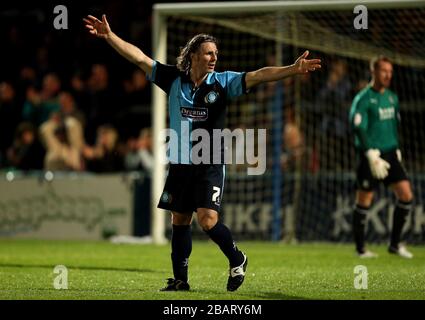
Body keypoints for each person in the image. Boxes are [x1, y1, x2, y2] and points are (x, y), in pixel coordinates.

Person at [84, 14, 321, 291]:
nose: (214, 57)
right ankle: (181, 281)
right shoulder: (173, 79)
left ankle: (238, 258)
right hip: (182, 164)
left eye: (216, 53)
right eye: (208, 53)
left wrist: (292, 69)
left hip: (210, 162)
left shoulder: (223, 82)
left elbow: (258, 75)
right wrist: (110, 36)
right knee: (179, 220)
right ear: (194, 55)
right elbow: (139, 58)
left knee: (208, 221)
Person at [349, 56, 414, 259]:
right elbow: (357, 126)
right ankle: (361, 249)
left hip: (389, 153)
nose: (387, 75)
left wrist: (397, 149)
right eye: (384, 71)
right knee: (365, 200)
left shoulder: (392, 97)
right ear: (374, 72)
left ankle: (395, 245)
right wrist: (369, 153)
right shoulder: (363, 98)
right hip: (371, 154)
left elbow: (395, 125)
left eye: (390, 71)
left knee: (406, 195)